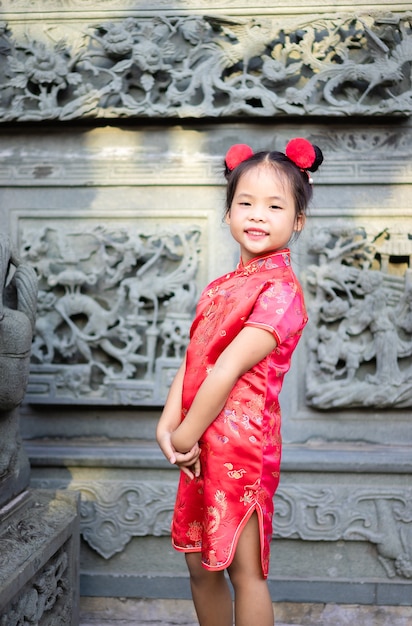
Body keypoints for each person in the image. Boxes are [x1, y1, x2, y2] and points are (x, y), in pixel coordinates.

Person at [156, 138, 323, 626]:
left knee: (243, 568)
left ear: (297, 221)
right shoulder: (220, 286)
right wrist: (167, 429)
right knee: (199, 563)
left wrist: (184, 436)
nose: (256, 214)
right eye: (244, 203)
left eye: (274, 206)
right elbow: (194, 361)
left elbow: (227, 368)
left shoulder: (281, 291)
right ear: (228, 214)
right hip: (198, 439)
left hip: (240, 445)